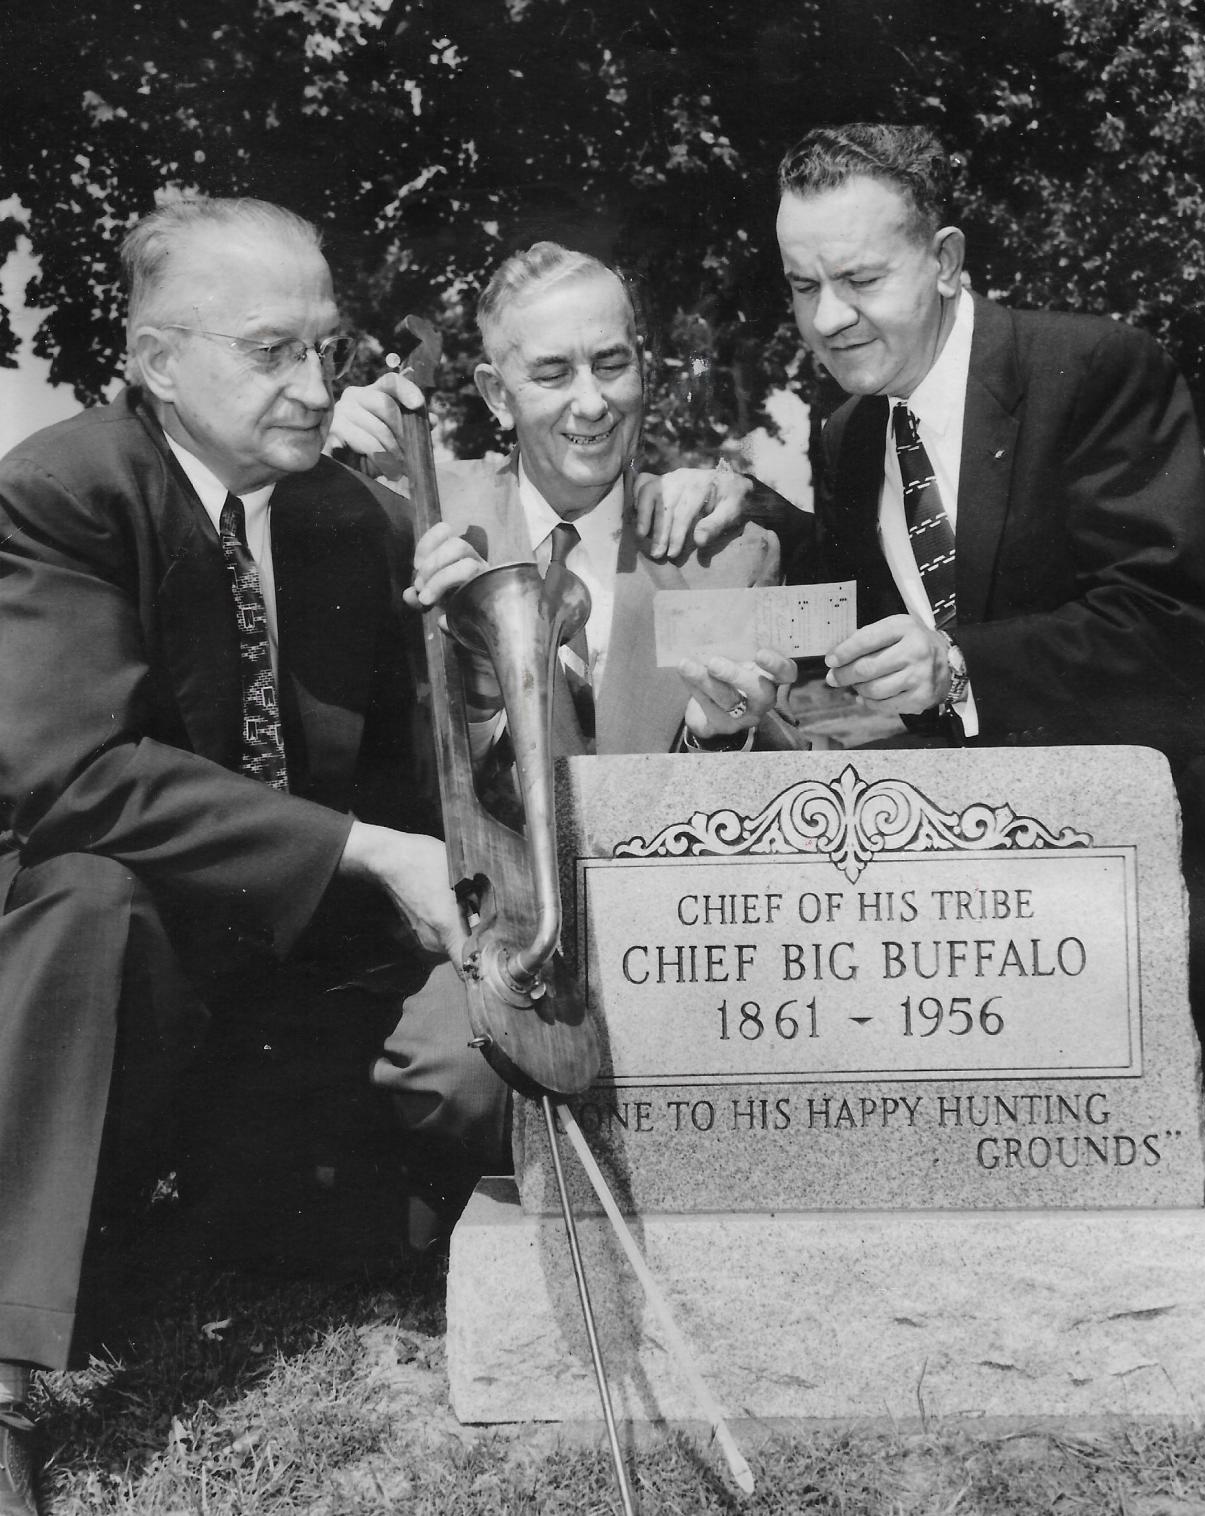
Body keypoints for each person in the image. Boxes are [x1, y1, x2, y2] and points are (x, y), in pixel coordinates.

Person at [0, 197, 482, 1515]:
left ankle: (164, 1225)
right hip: (120, 967)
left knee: (297, 1246)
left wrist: (488, 643)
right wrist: (371, 848)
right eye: (271, 351)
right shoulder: (64, 492)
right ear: (161, 360)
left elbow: (425, 784)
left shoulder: (358, 521)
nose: (315, 383)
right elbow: (75, 779)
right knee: (88, 898)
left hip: (291, 987)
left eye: (325, 346)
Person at [331, 242, 805, 1139]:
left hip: (670, 935)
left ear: (644, 367)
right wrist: (324, 435)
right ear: (495, 393)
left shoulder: (726, 549)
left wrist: (722, 736)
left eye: (612, 363)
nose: (591, 401)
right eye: (551, 372)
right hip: (493, 926)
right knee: (446, 1077)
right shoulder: (416, 510)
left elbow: (772, 805)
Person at [775, 123, 1205, 772]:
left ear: (946, 263)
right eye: (804, 286)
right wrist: (736, 512)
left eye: (861, 279)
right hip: (993, 843)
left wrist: (957, 665)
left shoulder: (1097, 370)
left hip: (1167, 826)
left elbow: (1168, 627)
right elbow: (839, 608)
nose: (827, 320)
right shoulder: (846, 434)